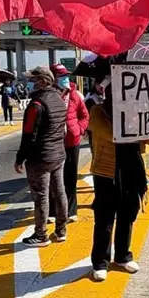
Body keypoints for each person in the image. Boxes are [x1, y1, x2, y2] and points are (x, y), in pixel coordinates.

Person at [87, 83, 149, 282]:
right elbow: (112, 135)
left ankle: (123, 256)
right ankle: (100, 262)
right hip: (106, 172)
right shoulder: (98, 111)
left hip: (133, 172)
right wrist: (134, 125)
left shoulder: (139, 112)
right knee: (105, 219)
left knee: (128, 215)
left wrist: (144, 120)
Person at [15, 66, 68, 246]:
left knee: (41, 196)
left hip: (40, 158)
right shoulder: (59, 100)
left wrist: (20, 158)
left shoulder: (36, 105)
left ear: (44, 81)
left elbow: (29, 135)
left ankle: (41, 235)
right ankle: (61, 230)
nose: (30, 84)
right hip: (58, 154)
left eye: (33, 80)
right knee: (59, 192)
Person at [49, 64, 89, 222]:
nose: (65, 79)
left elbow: (85, 116)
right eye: (61, 76)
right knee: (52, 178)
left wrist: (78, 130)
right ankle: (52, 211)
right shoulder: (48, 96)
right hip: (53, 143)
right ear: (53, 79)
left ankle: (71, 210)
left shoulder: (75, 95)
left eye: (66, 76)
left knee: (70, 177)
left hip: (72, 142)